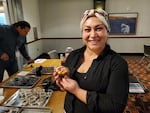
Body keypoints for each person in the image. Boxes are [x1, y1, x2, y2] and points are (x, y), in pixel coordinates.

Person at [53, 9, 129, 113]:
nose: (93, 35)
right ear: (82, 33)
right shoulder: (73, 56)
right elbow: (64, 87)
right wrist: (61, 83)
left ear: (107, 31)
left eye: (98, 29)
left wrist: (77, 91)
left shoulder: (117, 64)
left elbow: (115, 106)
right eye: (87, 30)